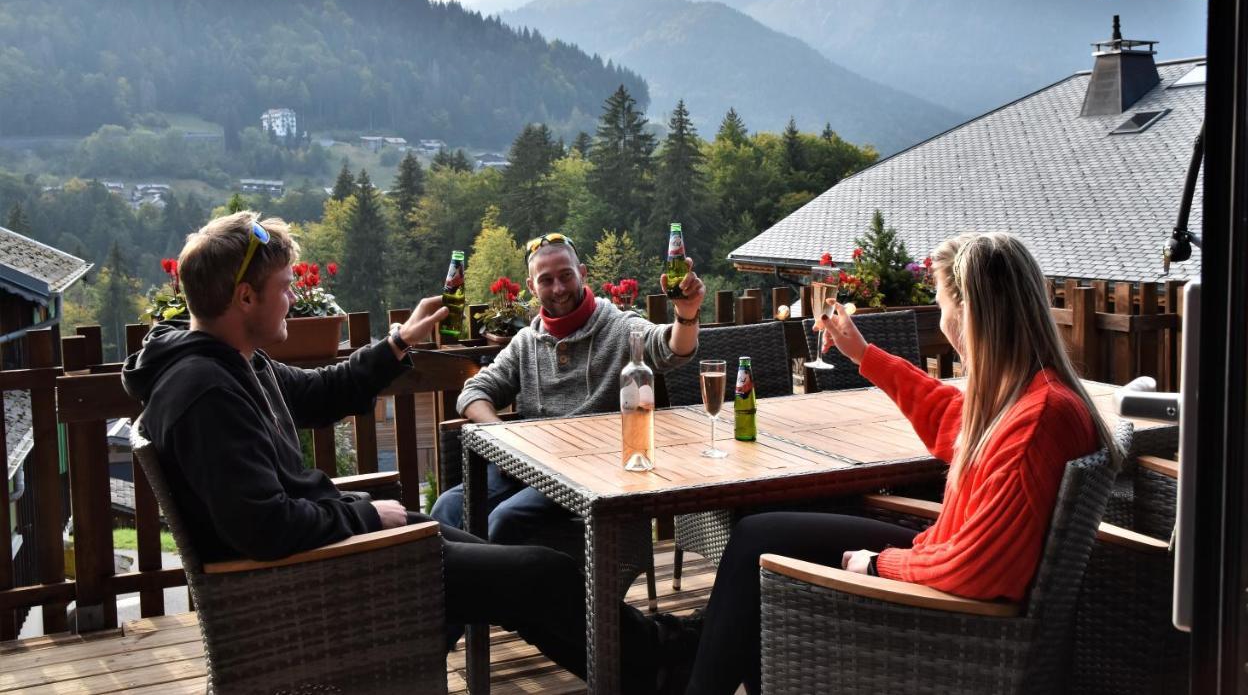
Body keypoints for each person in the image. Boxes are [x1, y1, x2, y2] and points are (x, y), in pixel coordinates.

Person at [122, 212, 696, 695]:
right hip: (315, 577)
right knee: (539, 573)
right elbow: (264, 527)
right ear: (245, 297)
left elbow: (320, 396)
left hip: (330, 549)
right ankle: (660, 661)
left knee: (497, 556)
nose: (294, 300)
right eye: (285, 288)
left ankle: (647, 658)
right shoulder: (204, 392)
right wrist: (367, 515)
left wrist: (399, 342)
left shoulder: (234, 364)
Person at [684, 231, 1123, 695]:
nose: (943, 318)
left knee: (759, 547)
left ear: (972, 311)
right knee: (760, 532)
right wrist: (864, 355)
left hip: (948, 615)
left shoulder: (1039, 421)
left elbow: (979, 570)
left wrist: (879, 566)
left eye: (942, 306)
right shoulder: (1033, 396)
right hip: (941, 559)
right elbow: (954, 423)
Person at [431, 232, 705, 542]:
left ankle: (509, 587)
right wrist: (505, 441)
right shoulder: (525, 343)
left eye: (566, 276)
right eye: (546, 280)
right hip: (529, 467)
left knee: (506, 520)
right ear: (532, 286)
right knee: (448, 508)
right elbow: (474, 392)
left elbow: (671, 348)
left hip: (593, 473)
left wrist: (686, 312)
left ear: (583, 273)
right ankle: (463, 590)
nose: (558, 288)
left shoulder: (618, 326)